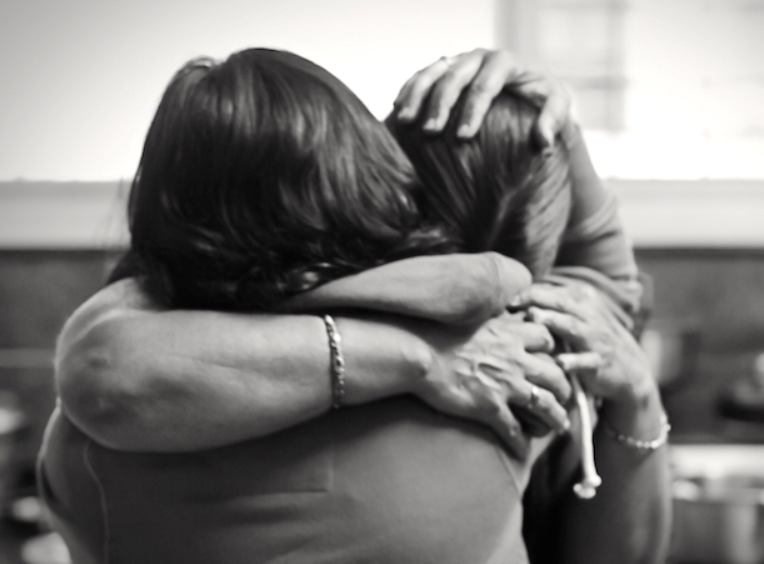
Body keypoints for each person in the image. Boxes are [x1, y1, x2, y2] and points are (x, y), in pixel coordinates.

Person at [39, 48, 670, 564]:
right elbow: (605, 282)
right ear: (369, 188)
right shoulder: (499, 358)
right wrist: (555, 123)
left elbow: (108, 362)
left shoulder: (99, 433)